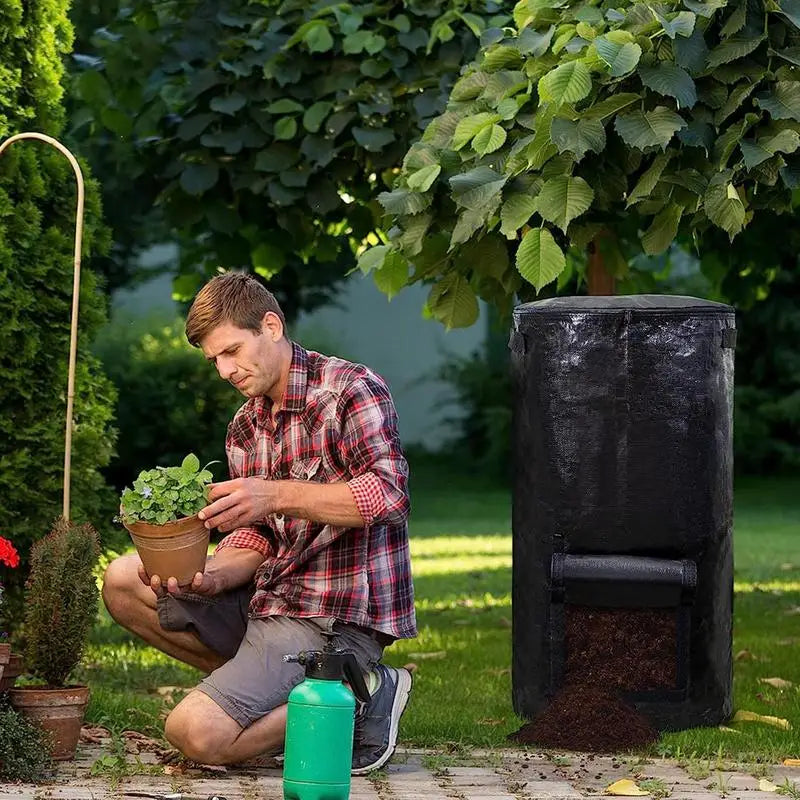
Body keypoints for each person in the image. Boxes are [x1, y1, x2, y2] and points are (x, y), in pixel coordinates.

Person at [102, 271, 416, 774]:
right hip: (269, 600)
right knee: (122, 579)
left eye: (231, 351)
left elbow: (388, 496)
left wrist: (272, 494)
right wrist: (215, 576)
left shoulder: (350, 391)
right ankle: (289, 695)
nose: (224, 370)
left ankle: (360, 695)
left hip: (330, 615)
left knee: (194, 733)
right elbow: (258, 535)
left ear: (270, 326)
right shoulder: (246, 426)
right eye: (214, 361)